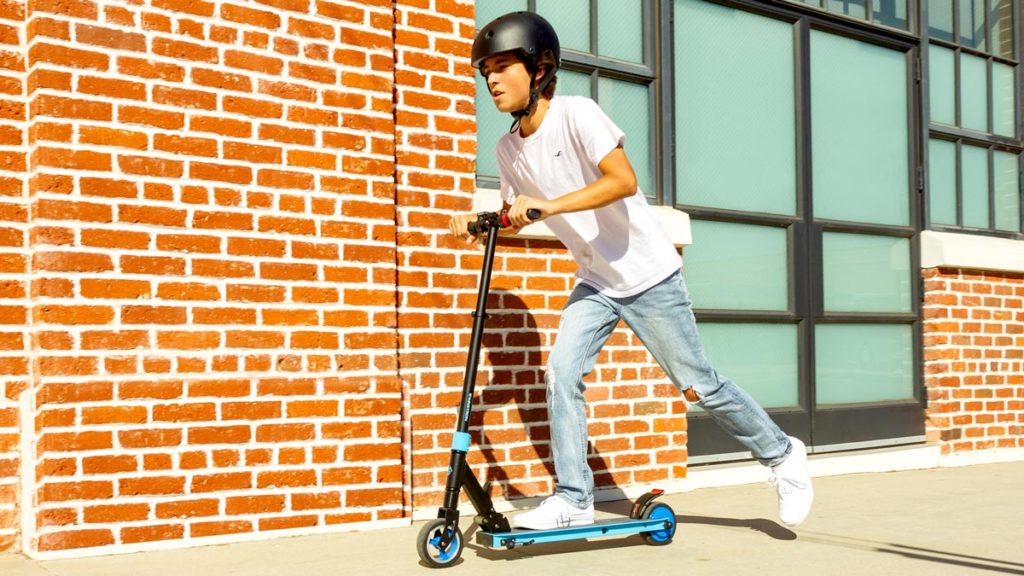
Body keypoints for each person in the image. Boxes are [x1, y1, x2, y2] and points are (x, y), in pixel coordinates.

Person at [450, 11, 813, 530]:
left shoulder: (578, 114)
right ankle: (575, 499)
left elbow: (622, 181)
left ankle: (782, 456)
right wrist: (482, 223)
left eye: (503, 66)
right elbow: (518, 212)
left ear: (539, 69)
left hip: (649, 275)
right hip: (597, 281)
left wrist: (552, 206)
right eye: (485, 70)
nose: (491, 79)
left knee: (698, 386)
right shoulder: (508, 148)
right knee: (561, 372)